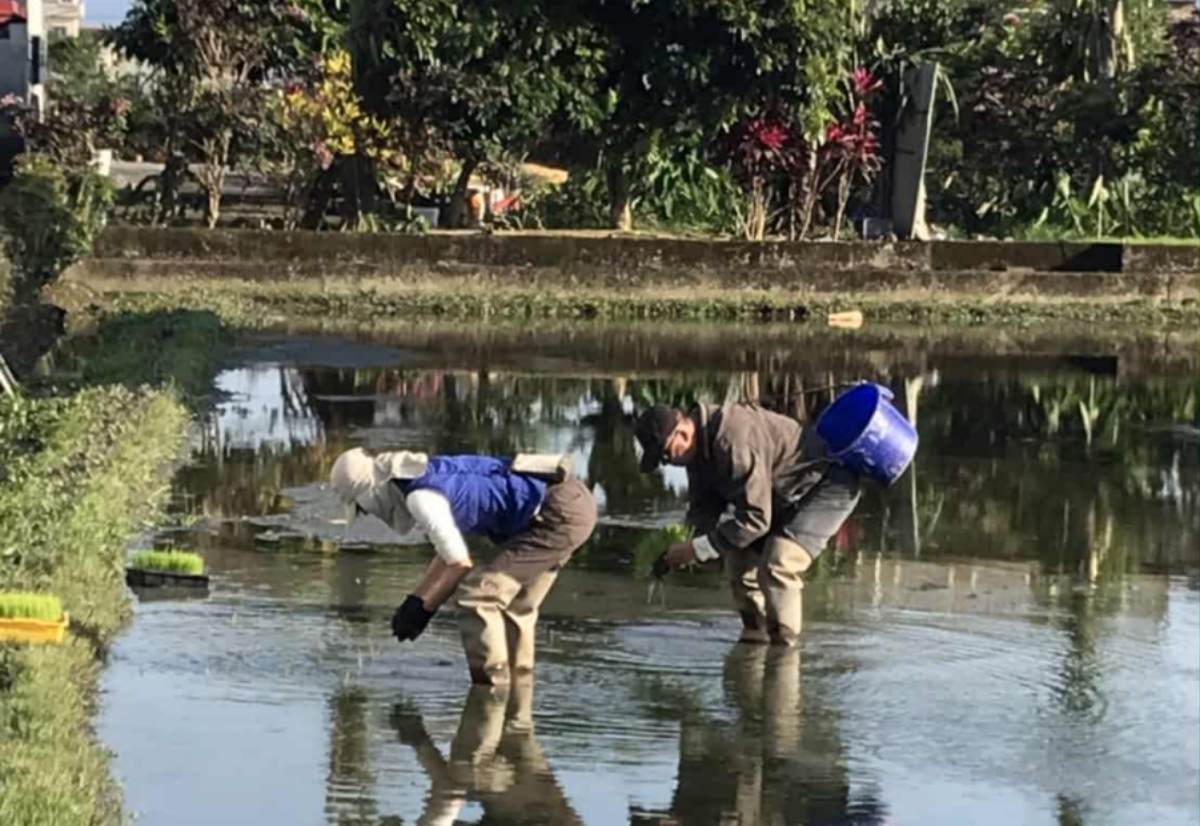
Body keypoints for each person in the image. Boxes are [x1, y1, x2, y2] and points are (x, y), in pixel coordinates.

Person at [329, 448, 597, 685]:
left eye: (363, 508)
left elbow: (459, 564)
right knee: (517, 607)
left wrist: (424, 611)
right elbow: (448, 553)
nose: (369, 514)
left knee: (477, 596)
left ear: (373, 493)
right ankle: (519, 692)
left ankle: (492, 690)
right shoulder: (421, 475)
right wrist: (415, 599)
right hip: (568, 502)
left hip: (556, 516)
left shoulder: (422, 498)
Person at [634, 401, 861, 645]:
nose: (667, 463)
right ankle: (755, 640)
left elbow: (756, 519)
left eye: (666, 454)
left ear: (683, 433)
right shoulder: (696, 453)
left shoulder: (731, 442)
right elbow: (704, 509)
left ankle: (783, 652)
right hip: (780, 496)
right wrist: (685, 544)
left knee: (780, 563)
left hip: (826, 484)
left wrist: (697, 549)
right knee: (739, 562)